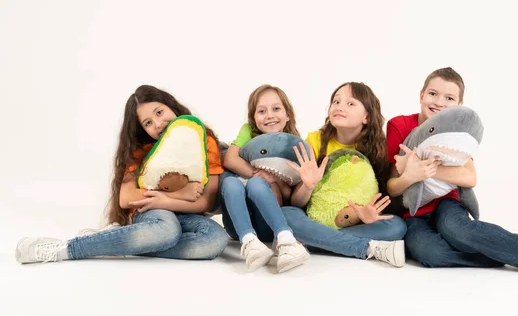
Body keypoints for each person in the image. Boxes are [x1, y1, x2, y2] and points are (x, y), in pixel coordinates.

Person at [386, 67, 518, 278]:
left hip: (447, 201)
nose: (439, 102)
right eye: (433, 94)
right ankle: (512, 250)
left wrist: (424, 170)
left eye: (449, 98)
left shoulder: (456, 128)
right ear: (421, 95)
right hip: (413, 212)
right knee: (429, 252)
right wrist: (409, 176)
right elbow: (392, 187)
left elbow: (470, 177)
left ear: (459, 105)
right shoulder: (399, 125)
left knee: (457, 231)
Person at [16, 85, 229, 264]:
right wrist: (175, 195)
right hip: (150, 212)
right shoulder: (142, 150)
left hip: (186, 213)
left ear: (171, 106)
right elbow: (126, 198)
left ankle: (114, 240)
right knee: (166, 231)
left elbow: (206, 202)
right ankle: (68, 249)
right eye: (147, 123)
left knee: (215, 240)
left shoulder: (202, 140)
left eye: (159, 112)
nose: (157, 123)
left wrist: (166, 200)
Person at [281, 82, 407, 267]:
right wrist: (308, 186)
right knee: (286, 213)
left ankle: (312, 241)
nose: (339, 107)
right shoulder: (314, 141)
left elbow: (381, 198)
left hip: (353, 223)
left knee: (397, 226)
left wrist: (368, 215)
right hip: (316, 218)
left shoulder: (379, 150)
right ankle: (367, 248)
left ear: (367, 117)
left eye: (350, 103)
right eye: (336, 101)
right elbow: (297, 203)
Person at [221, 84, 310, 273]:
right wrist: (257, 173)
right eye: (261, 111)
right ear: (253, 118)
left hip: (268, 223)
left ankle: (287, 241)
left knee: (256, 184)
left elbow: (290, 196)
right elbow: (230, 158)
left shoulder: (291, 143)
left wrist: (272, 180)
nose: (269, 115)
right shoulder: (249, 132)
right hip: (238, 226)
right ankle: (250, 244)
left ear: (288, 115)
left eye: (276, 109)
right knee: (230, 182)